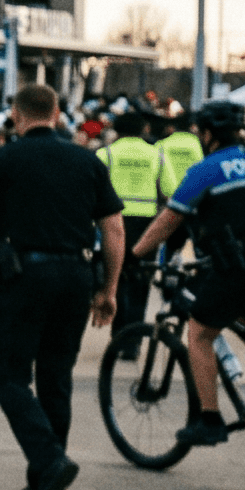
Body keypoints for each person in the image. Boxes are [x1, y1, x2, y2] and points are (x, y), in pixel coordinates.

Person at [0, 84, 124, 490]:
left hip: (25, 278)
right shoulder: (87, 159)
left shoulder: (3, 159)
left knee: (7, 375)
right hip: (76, 277)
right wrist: (109, 289)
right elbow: (113, 230)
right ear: (57, 114)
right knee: (56, 376)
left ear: (17, 116)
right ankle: (44, 484)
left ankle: (50, 461)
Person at [129, 101, 245, 450]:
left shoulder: (206, 169)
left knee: (199, 333)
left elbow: (170, 219)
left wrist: (134, 255)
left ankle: (209, 419)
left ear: (207, 134)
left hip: (244, 265)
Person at [94, 111, 171, 334]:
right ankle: (134, 337)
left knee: (114, 277)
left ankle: (118, 332)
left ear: (116, 130)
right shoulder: (156, 154)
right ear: (143, 129)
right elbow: (167, 191)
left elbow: (95, 192)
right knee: (141, 281)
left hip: (112, 223)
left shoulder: (105, 154)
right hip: (146, 224)